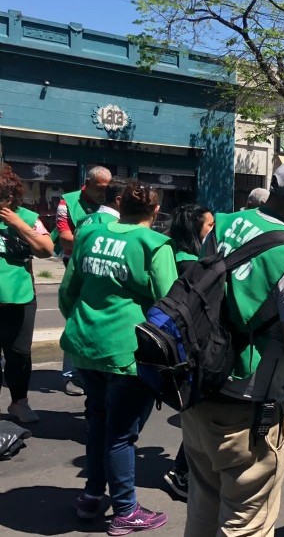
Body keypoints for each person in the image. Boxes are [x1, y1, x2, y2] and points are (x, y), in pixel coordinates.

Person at [181, 157, 284, 537]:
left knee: (203, 512)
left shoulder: (222, 224)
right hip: (247, 412)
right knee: (247, 525)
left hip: (198, 391)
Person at [59, 181, 177, 534]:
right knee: (122, 434)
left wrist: (84, 323)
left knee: (98, 422)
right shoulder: (153, 244)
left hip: (86, 344)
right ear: (155, 213)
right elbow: (170, 304)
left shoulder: (90, 234)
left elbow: (68, 291)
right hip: (128, 351)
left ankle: (93, 495)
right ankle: (125, 509)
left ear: (120, 204)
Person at [160, 203, 215, 500]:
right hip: (191, 352)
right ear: (196, 230)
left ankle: (187, 470)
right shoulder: (193, 266)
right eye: (210, 226)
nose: (214, 232)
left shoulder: (172, 255)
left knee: (196, 414)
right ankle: (181, 472)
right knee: (198, 414)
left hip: (177, 350)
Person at [0, 165, 55, 423]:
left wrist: (18, 224)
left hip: (19, 299)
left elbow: (46, 249)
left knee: (19, 355)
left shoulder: (28, 217)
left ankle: (19, 403)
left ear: (9, 198)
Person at [57, 165, 113, 396]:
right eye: (99, 188)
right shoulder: (68, 202)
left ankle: (98, 369)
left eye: (107, 189)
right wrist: (96, 241)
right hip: (77, 264)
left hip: (105, 264)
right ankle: (72, 375)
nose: (103, 193)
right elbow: (65, 240)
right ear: (87, 183)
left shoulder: (111, 202)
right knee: (75, 317)